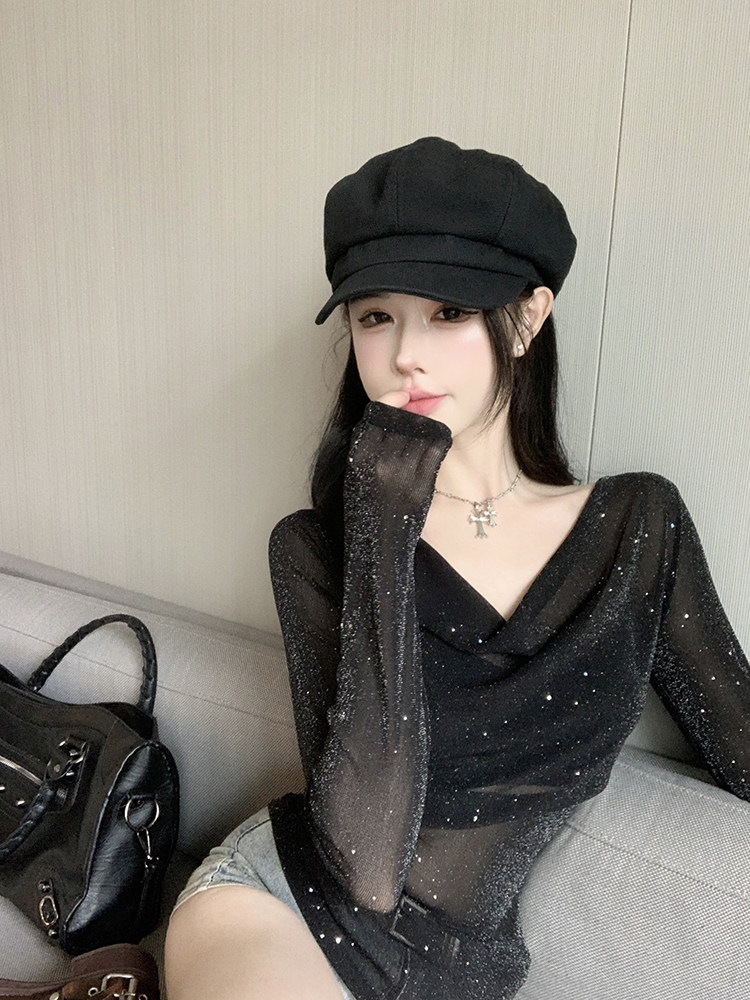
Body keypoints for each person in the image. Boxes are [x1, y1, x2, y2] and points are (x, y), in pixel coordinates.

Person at [165, 137, 750, 1000]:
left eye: (447, 311)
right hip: (277, 907)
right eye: (375, 316)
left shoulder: (637, 527)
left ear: (528, 316)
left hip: (458, 972)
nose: (406, 353)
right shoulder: (315, 548)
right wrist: (381, 529)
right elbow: (366, 869)